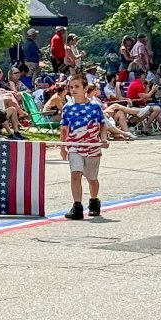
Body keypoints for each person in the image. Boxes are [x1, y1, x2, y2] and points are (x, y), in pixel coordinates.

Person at [60, 75, 108, 220]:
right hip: (75, 146)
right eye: (71, 87)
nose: (73, 90)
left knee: (92, 178)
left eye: (77, 87)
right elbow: (64, 128)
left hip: (92, 146)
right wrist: (63, 147)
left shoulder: (95, 106)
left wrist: (104, 138)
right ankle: (77, 206)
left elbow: (102, 124)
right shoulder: (68, 107)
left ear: (85, 88)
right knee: (75, 174)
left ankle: (94, 201)